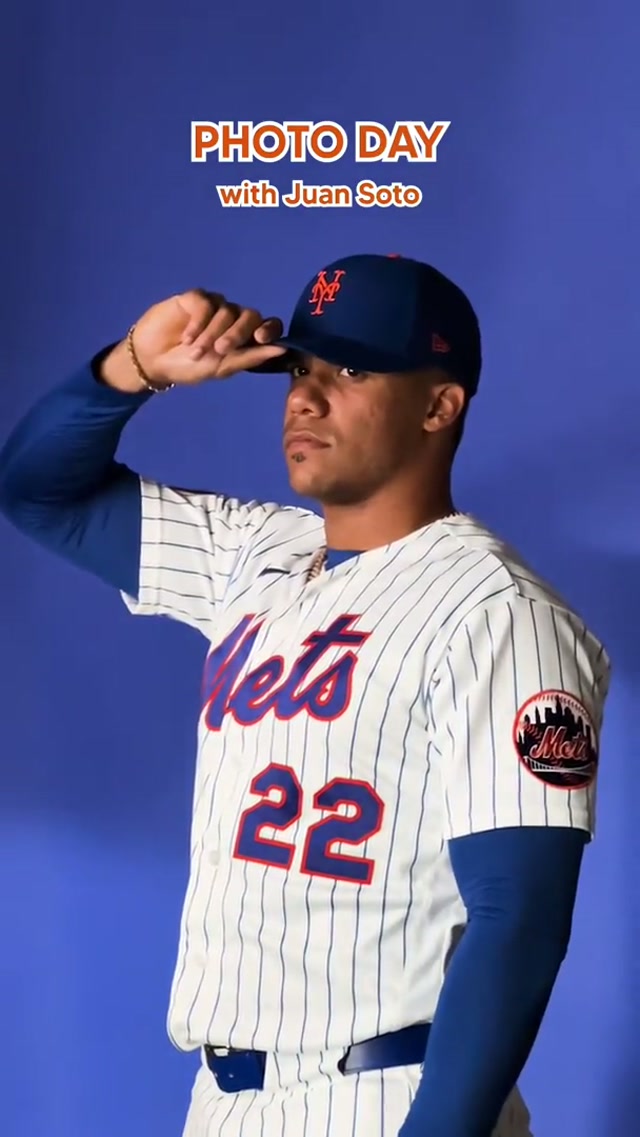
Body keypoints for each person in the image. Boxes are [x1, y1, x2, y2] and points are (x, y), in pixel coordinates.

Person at [0, 253, 610, 1137]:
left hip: (386, 1092)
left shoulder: (500, 612)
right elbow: (36, 491)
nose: (305, 397)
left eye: (351, 371)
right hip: (222, 1101)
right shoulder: (255, 553)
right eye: (299, 369)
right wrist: (133, 364)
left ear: (440, 406)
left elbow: (519, 919)